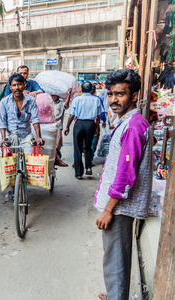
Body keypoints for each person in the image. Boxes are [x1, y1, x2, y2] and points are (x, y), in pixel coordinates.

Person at [94, 69, 152, 300]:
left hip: (119, 207)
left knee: (115, 255)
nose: (113, 100)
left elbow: (126, 173)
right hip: (119, 205)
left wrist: (109, 209)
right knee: (117, 254)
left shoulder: (134, 126)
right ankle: (115, 293)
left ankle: (117, 296)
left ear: (134, 96)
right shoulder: (129, 122)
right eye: (110, 95)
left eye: (120, 94)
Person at [0, 73, 45, 201]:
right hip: (11, 134)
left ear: (24, 85)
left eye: (19, 84)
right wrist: (3, 139)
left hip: (26, 134)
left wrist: (39, 137)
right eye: (14, 85)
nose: (17, 87)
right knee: (10, 161)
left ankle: (25, 180)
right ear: (10, 87)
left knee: (30, 158)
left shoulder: (30, 100)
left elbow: (35, 119)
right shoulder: (4, 102)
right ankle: (12, 188)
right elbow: (2, 122)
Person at [64, 81, 102, 179]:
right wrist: (96, 127)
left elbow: (71, 115)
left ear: (81, 89)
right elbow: (98, 116)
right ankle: (88, 168)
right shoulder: (96, 100)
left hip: (79, 124)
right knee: (88, 147)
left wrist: (67, 126)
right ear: (91, 89)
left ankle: (79, 173)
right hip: (90, 124)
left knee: (78, 149)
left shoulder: (77, 99)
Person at [51, 89, 72, 167]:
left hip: (58, 126)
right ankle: (55, 158)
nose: (53, 97)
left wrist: (69, 95)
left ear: (58, 96)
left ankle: (56, 156)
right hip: (49, 126)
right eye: (52, 95)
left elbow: (66, 106)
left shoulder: (61, 103)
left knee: (57, 144)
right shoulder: (48, 103)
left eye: (55, 95)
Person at [90, 84, 107, 165]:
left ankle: (77, 160)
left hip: (81, 123)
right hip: (94, 123)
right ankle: (90, 160)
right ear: (95, 91)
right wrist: (104, 120)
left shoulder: (79, 99)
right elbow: (101, 112)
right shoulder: (98, 99)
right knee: (94, 141)